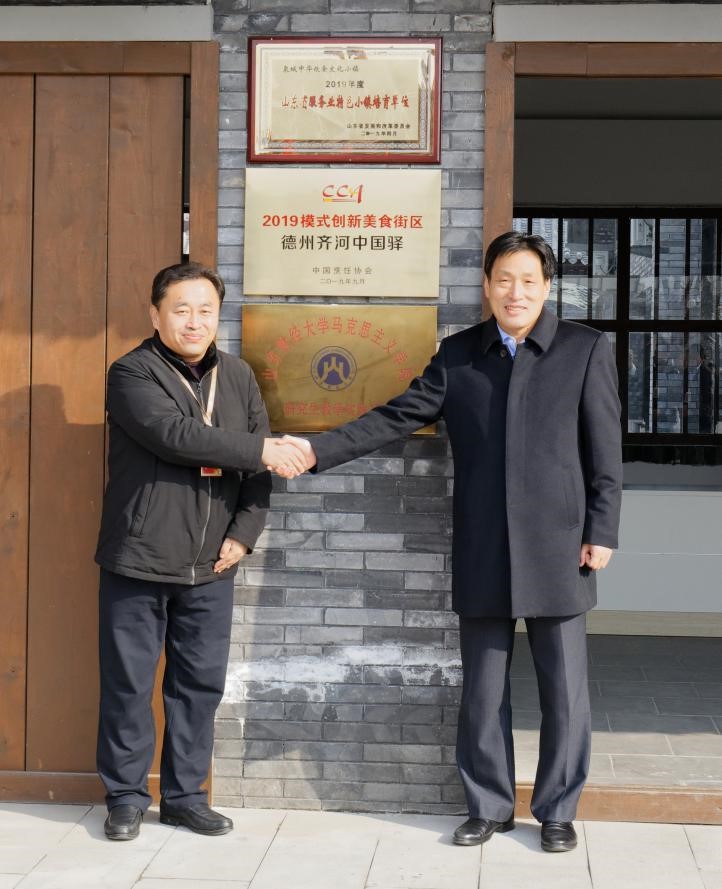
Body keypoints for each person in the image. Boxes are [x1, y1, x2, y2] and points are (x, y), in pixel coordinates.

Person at [278, 232, 622, 853]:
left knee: (565, 691)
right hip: (485, 543)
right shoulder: (460, 354)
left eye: (529, 281)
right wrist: (315, 449)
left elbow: (605, 451)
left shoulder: (584, 349)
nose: (516, 293)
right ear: (486, 286)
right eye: (504, 280)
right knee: (483, 690)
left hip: (560, 545)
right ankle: (488, 806)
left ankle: (557, 811)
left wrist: (602, 529)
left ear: (547, 288)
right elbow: (396, 416)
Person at [95, 262, 307, 841]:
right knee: (129, 685)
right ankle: (125, 797)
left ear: (219, 315)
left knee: (198, 686)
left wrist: (244, 533)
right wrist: (263, 450)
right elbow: (175, 436)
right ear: (155, 314)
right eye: (181, 309)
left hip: (213, 564)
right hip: (139, 558)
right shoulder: (131, 372)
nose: (194, 321)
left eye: (206, 310)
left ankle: (185, 797)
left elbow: (257, 475)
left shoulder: (237, 376)